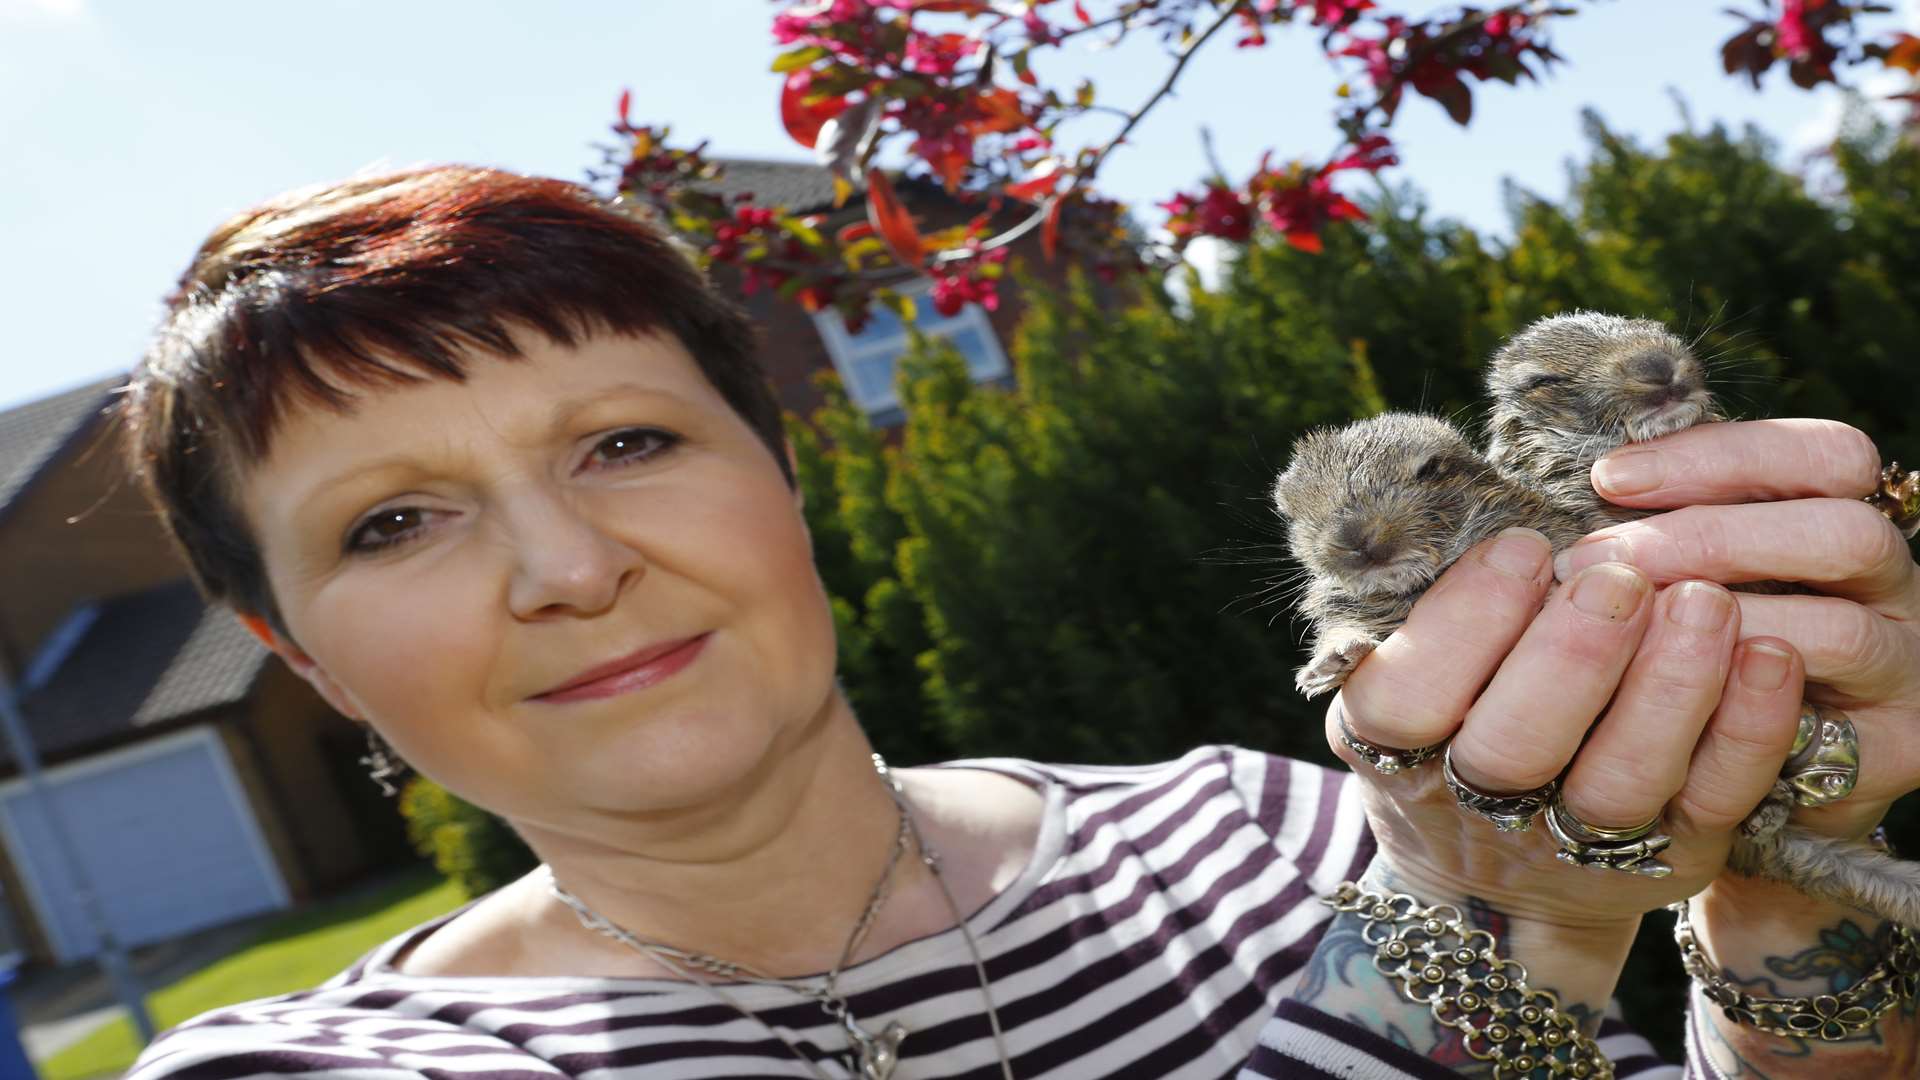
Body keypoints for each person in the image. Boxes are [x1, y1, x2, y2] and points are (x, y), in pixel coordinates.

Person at [115, 163, 1920, 1080]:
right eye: (397, 521)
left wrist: (1781, 869)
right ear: (299, 654)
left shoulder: (1264, 832)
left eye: (626, 441)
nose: (566, 564)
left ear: (783, 472)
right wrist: (1491, 929)